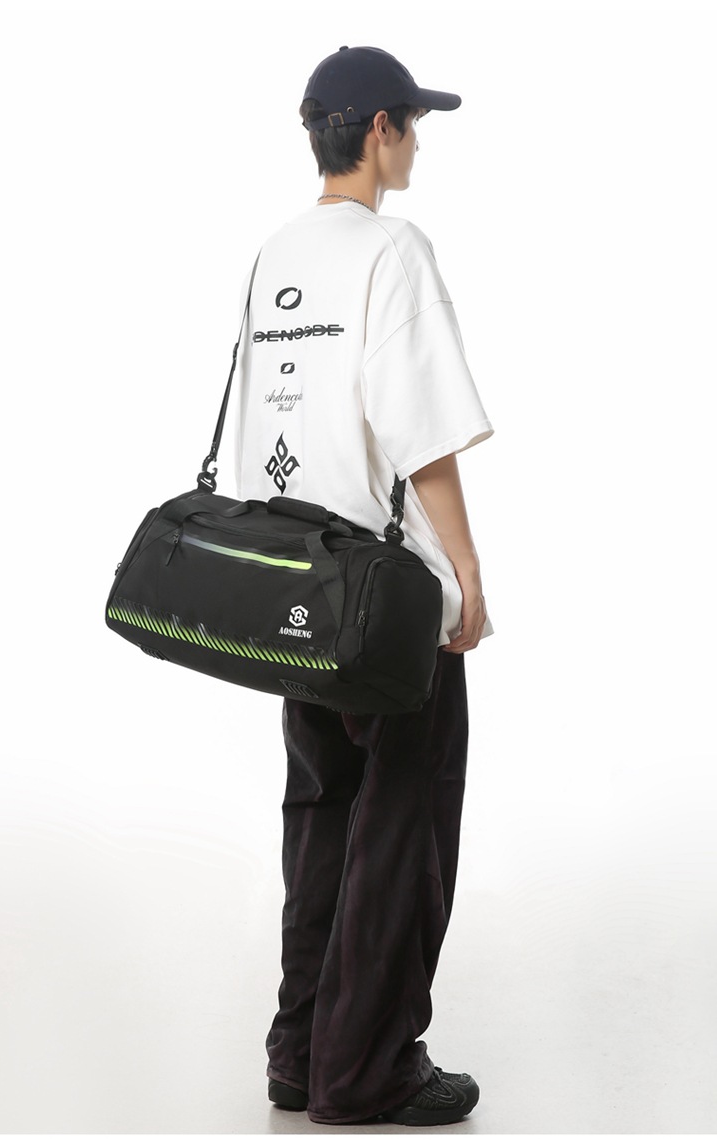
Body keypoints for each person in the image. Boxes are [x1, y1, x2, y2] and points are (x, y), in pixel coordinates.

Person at [232, 45, 495, 1127]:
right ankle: (370, 1068)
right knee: (404, 826)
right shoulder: (393, 249)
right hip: (386, 603)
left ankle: (302, 1055)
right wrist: (465, 573)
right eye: (413, 124)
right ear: (379, 129)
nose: (419, 144)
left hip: (293, 579)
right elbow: (421, 429)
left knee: (323, 815)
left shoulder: (275, 253)